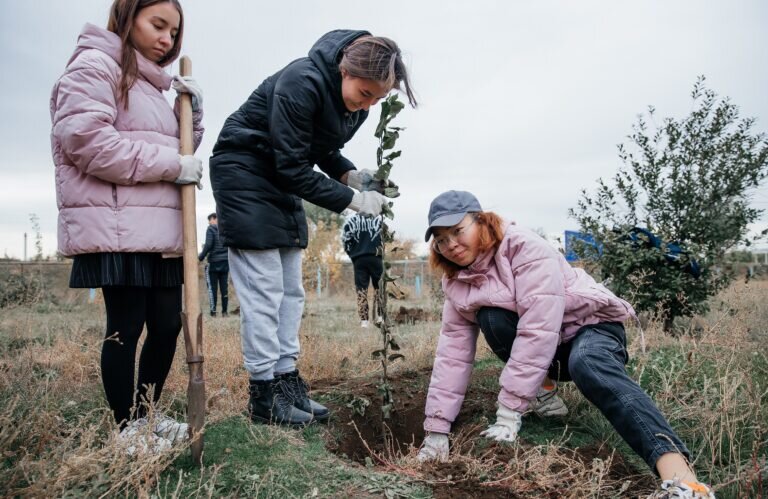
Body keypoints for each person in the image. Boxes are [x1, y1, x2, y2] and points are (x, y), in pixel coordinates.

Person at [417, 191, 716, 499]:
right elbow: (452, 355)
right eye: (440, 239)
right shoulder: (456, 281)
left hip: (592, 327)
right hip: (553, 347)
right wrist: (437, 431)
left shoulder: (524, 248)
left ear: (480, 220)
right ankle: (545, 394)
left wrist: (509, 412)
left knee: (587, 363)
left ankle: (686, 482)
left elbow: (538, 329)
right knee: (492, 317)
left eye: (457, 231)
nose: (450, 244)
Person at [209, 30, 416, 427]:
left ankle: (287, 380)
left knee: (291, 289)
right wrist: (354, 201)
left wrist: (353, 176)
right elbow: (292, 165)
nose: (368, 103)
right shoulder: (300, 81)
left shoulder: (355, 106)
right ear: (345, 68)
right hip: (246, 171)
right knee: (265, 289)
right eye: (365, 91)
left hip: (282, 175)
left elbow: (318, 150)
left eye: (377, 98)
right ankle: (263, 393)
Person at [50, 0, 205, 454]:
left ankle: (148, 415)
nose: (167, 40)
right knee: (127, 324)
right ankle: (126, 428)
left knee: (166, 326)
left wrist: (192, 112)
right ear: (127, 16)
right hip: (115, 223)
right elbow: (87, 143)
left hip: (156, 229)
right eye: (158, 25)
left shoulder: (154, 87)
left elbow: (181, 149)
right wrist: (173, 164)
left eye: (174, 33)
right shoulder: (95, 67)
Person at [342, 213, 384, 328]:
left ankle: (364, 321)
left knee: (361, 289)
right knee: (379, 287)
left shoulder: (352, 221)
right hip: (376, 257)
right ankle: (380, 317)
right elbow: (385, 237)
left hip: (359, 258)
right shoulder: (378, 219)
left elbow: (346, 239)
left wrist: (352, 255)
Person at [199, 212, 229, 317]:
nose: (209, 222)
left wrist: (200, 257)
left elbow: (208, 245)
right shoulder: (225, 229)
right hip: (225, 262)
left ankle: (213, 312)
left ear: (215, 218)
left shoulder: (211, 229)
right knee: (224, 288)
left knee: (212, 288)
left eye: (210, 219)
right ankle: (225, 312)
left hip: (214, 262)